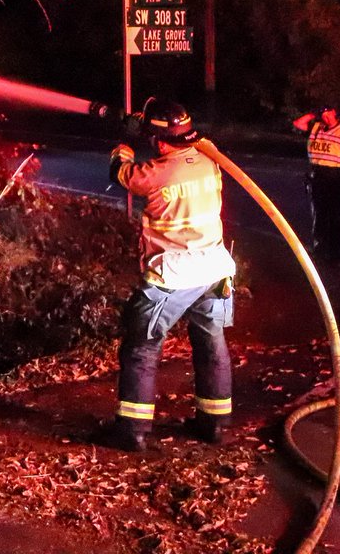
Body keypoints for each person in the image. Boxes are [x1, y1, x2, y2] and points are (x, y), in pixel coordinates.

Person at [102, 97, 237, 452]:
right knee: (211, 345)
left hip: (172, 275)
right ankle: (214, 424)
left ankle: (132, 431)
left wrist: (125, 139)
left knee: (141, 349)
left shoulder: (155, 173)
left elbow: (120, 172)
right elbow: (184, 143)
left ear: (159, 142)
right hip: (214, 270)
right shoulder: (210, 157)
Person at [292, 105, 340, 261]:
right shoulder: (316, 128)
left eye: (328, 113)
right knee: (319, 214)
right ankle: (319, 249)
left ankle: (334, 253)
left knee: (335, 215)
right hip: (318, 177)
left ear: (335, 112)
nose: (325, 117)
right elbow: (298, 124)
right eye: (323, 114)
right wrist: (312, 114)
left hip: (337, 178)